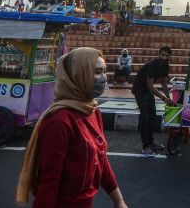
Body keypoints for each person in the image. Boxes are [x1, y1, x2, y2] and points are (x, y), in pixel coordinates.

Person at [16, 47, 128, 208]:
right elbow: (49, 182)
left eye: (104, 71)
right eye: (97, 72)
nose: (104, 78)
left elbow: (101, 158)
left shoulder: (93, 111)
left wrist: (119, 200)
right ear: (77, 75)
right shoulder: (59, 122)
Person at [131, 46, 175, 154]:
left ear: (170, 57)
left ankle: (151, 143)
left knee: (153, 116)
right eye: (162, 55)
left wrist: (169, 98)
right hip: (140, 90)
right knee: (145, 117)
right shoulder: (151, 66)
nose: (164, 57)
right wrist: (163, 98)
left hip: (148, 91)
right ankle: (145, 147)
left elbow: (164, 83)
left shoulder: (166, 66)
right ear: (159, 55)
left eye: (167, 56)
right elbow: (150, 86)